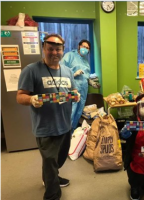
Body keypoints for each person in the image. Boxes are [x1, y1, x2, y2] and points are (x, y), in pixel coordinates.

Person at [16, 33, 80, 200]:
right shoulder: (31, 70)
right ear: (44, 48)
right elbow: (20, 96)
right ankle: (52, 194)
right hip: (45, 128)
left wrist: (76, 95)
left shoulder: (67, 71)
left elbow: (72, 91)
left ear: (63, 51)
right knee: (50, 161)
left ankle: (51, 177)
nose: (54, 52)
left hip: (65, 125)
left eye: (58, 49)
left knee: (57, 160)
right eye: (50, 49)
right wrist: (30, 99)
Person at [60, 39, 91, 132]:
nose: (85, 49)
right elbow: (61, 71)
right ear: (79, 46)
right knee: (71, 110)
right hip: (72, 88)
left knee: (79, 111)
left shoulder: (85, 61)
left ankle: (73, 131)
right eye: (83, 46)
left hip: (83, 89)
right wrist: (73, 74)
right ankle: (66, 132)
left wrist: (91, 82)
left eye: (87, 48)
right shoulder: (70, 56)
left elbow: (85, 76)